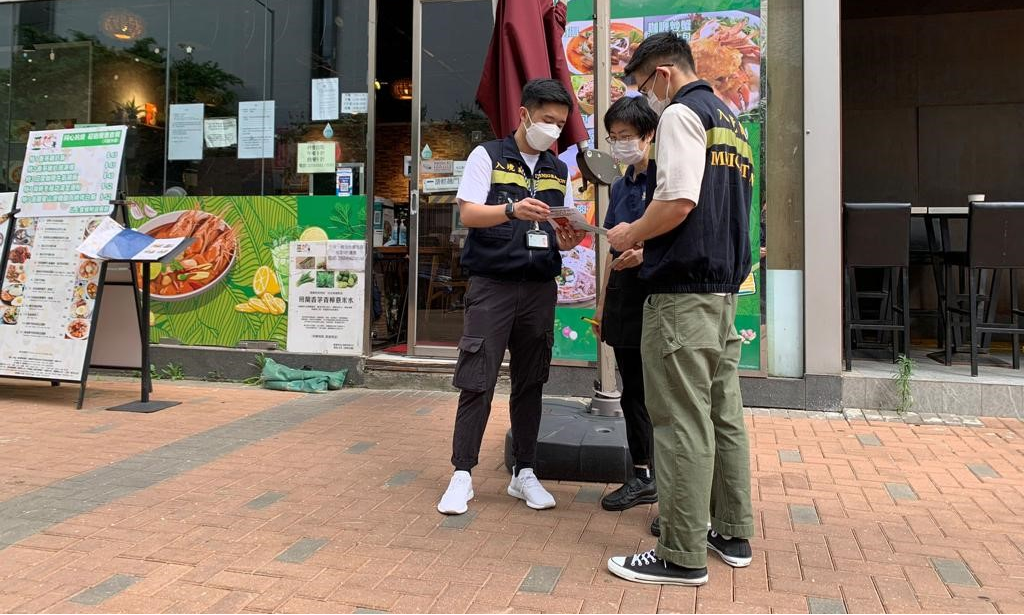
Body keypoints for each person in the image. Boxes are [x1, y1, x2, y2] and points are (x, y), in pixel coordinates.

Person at [605, 32, 755, 586]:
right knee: (724, 416)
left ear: (662, 76)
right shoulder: (732, 122)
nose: (647, 102)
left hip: (681, 295)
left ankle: (681, 551)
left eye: (645, 89)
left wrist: (631, 233)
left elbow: (677, 202)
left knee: (678, 423)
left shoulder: (680, 114)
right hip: (722, 292)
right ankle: (731, 531)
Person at [437, 78, 587, 516]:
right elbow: (468, 212)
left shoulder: (558, 169)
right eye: (546, 120)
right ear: (524, 115)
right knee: (477, 378)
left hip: (540, 286)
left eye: (560, 123)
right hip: (493, 285)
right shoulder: (488, 155)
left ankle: (525, 473)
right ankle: (461, 475)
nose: (553, 130)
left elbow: (564, 239)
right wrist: (510, 209)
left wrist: (572, 236)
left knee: (531, 381)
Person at [591, 96, 659, 512]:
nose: (619, 145)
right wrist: (601, 305)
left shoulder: (667, 179)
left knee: (664, 394)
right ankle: (643, 475)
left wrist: (648, 253)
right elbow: (612, 249)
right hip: (624, 295)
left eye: (627, 137)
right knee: (632, 390)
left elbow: (683, 234)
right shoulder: (620, 186)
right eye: (614, 138)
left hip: (661, 295)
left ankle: (673, 484)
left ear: (649, 135)